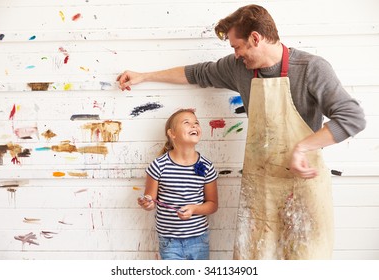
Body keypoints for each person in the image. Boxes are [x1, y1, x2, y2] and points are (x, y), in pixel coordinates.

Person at [121, 5, 366, 259]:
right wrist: (144, 76)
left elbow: (352, 118)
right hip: (260, 191)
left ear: (256, 38)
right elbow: (196, 73)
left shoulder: (310, 68)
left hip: (302, 190)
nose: (236, 55)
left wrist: (303, 147)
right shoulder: (240, 69)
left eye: (236, 47)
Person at [137, 108, 218, 260]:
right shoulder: (159, 165)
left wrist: (194, 209)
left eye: (196, 123)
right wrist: (146, 202)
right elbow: (150, 200)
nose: (194, 126)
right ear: (172, 133)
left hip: (199, 239)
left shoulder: (207, 166)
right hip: (169, 241)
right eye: (187, 123)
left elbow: (212, 205)